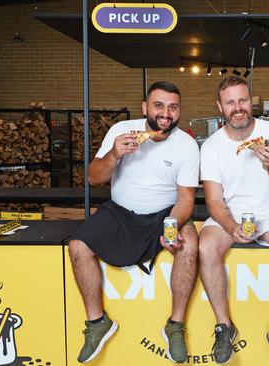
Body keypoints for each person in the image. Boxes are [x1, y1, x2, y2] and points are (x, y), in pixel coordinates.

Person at [68, 81, 200, 364]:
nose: (166, 113)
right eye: (159, 105)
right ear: (145, 108)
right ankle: (97, 322)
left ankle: (175, 326)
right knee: (78, 246)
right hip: (119, 212)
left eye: (173, 107)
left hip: (164, 215)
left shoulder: (187, 145)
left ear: (179, 111)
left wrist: (173, 224)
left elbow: (186, 199)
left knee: (190, 244)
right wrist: (114, 155)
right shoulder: (120, 132)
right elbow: (94, 177)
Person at [199, 76, 269, 366]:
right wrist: (231, 227)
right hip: (230, 212)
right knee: (206, 247)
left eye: (242, 100)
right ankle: (224, 326)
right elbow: (214, 202)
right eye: (230, 102)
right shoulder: (211, 146)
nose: (238, 107)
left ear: (251, 101)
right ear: (220, 106)